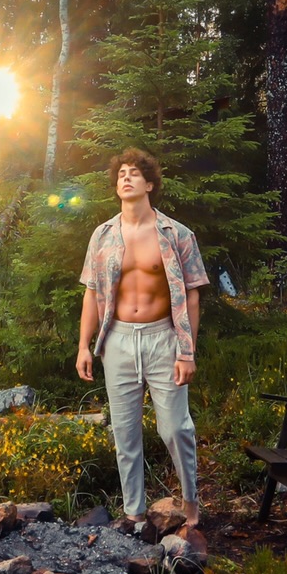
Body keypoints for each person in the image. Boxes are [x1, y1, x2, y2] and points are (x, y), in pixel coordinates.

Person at [75, 148, 208, 527]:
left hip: (162, 338)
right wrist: (84, 346)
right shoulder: (101, 236)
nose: (126, 178)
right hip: (115, 340)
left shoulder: (176, 234)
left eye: (134, 173)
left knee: (175, 427)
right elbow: (91, 293)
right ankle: (133, 512)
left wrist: (188, 351)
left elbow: (193, 295)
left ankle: (190, 503)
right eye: (121, 174)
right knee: (125, 432)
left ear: (150, 184)